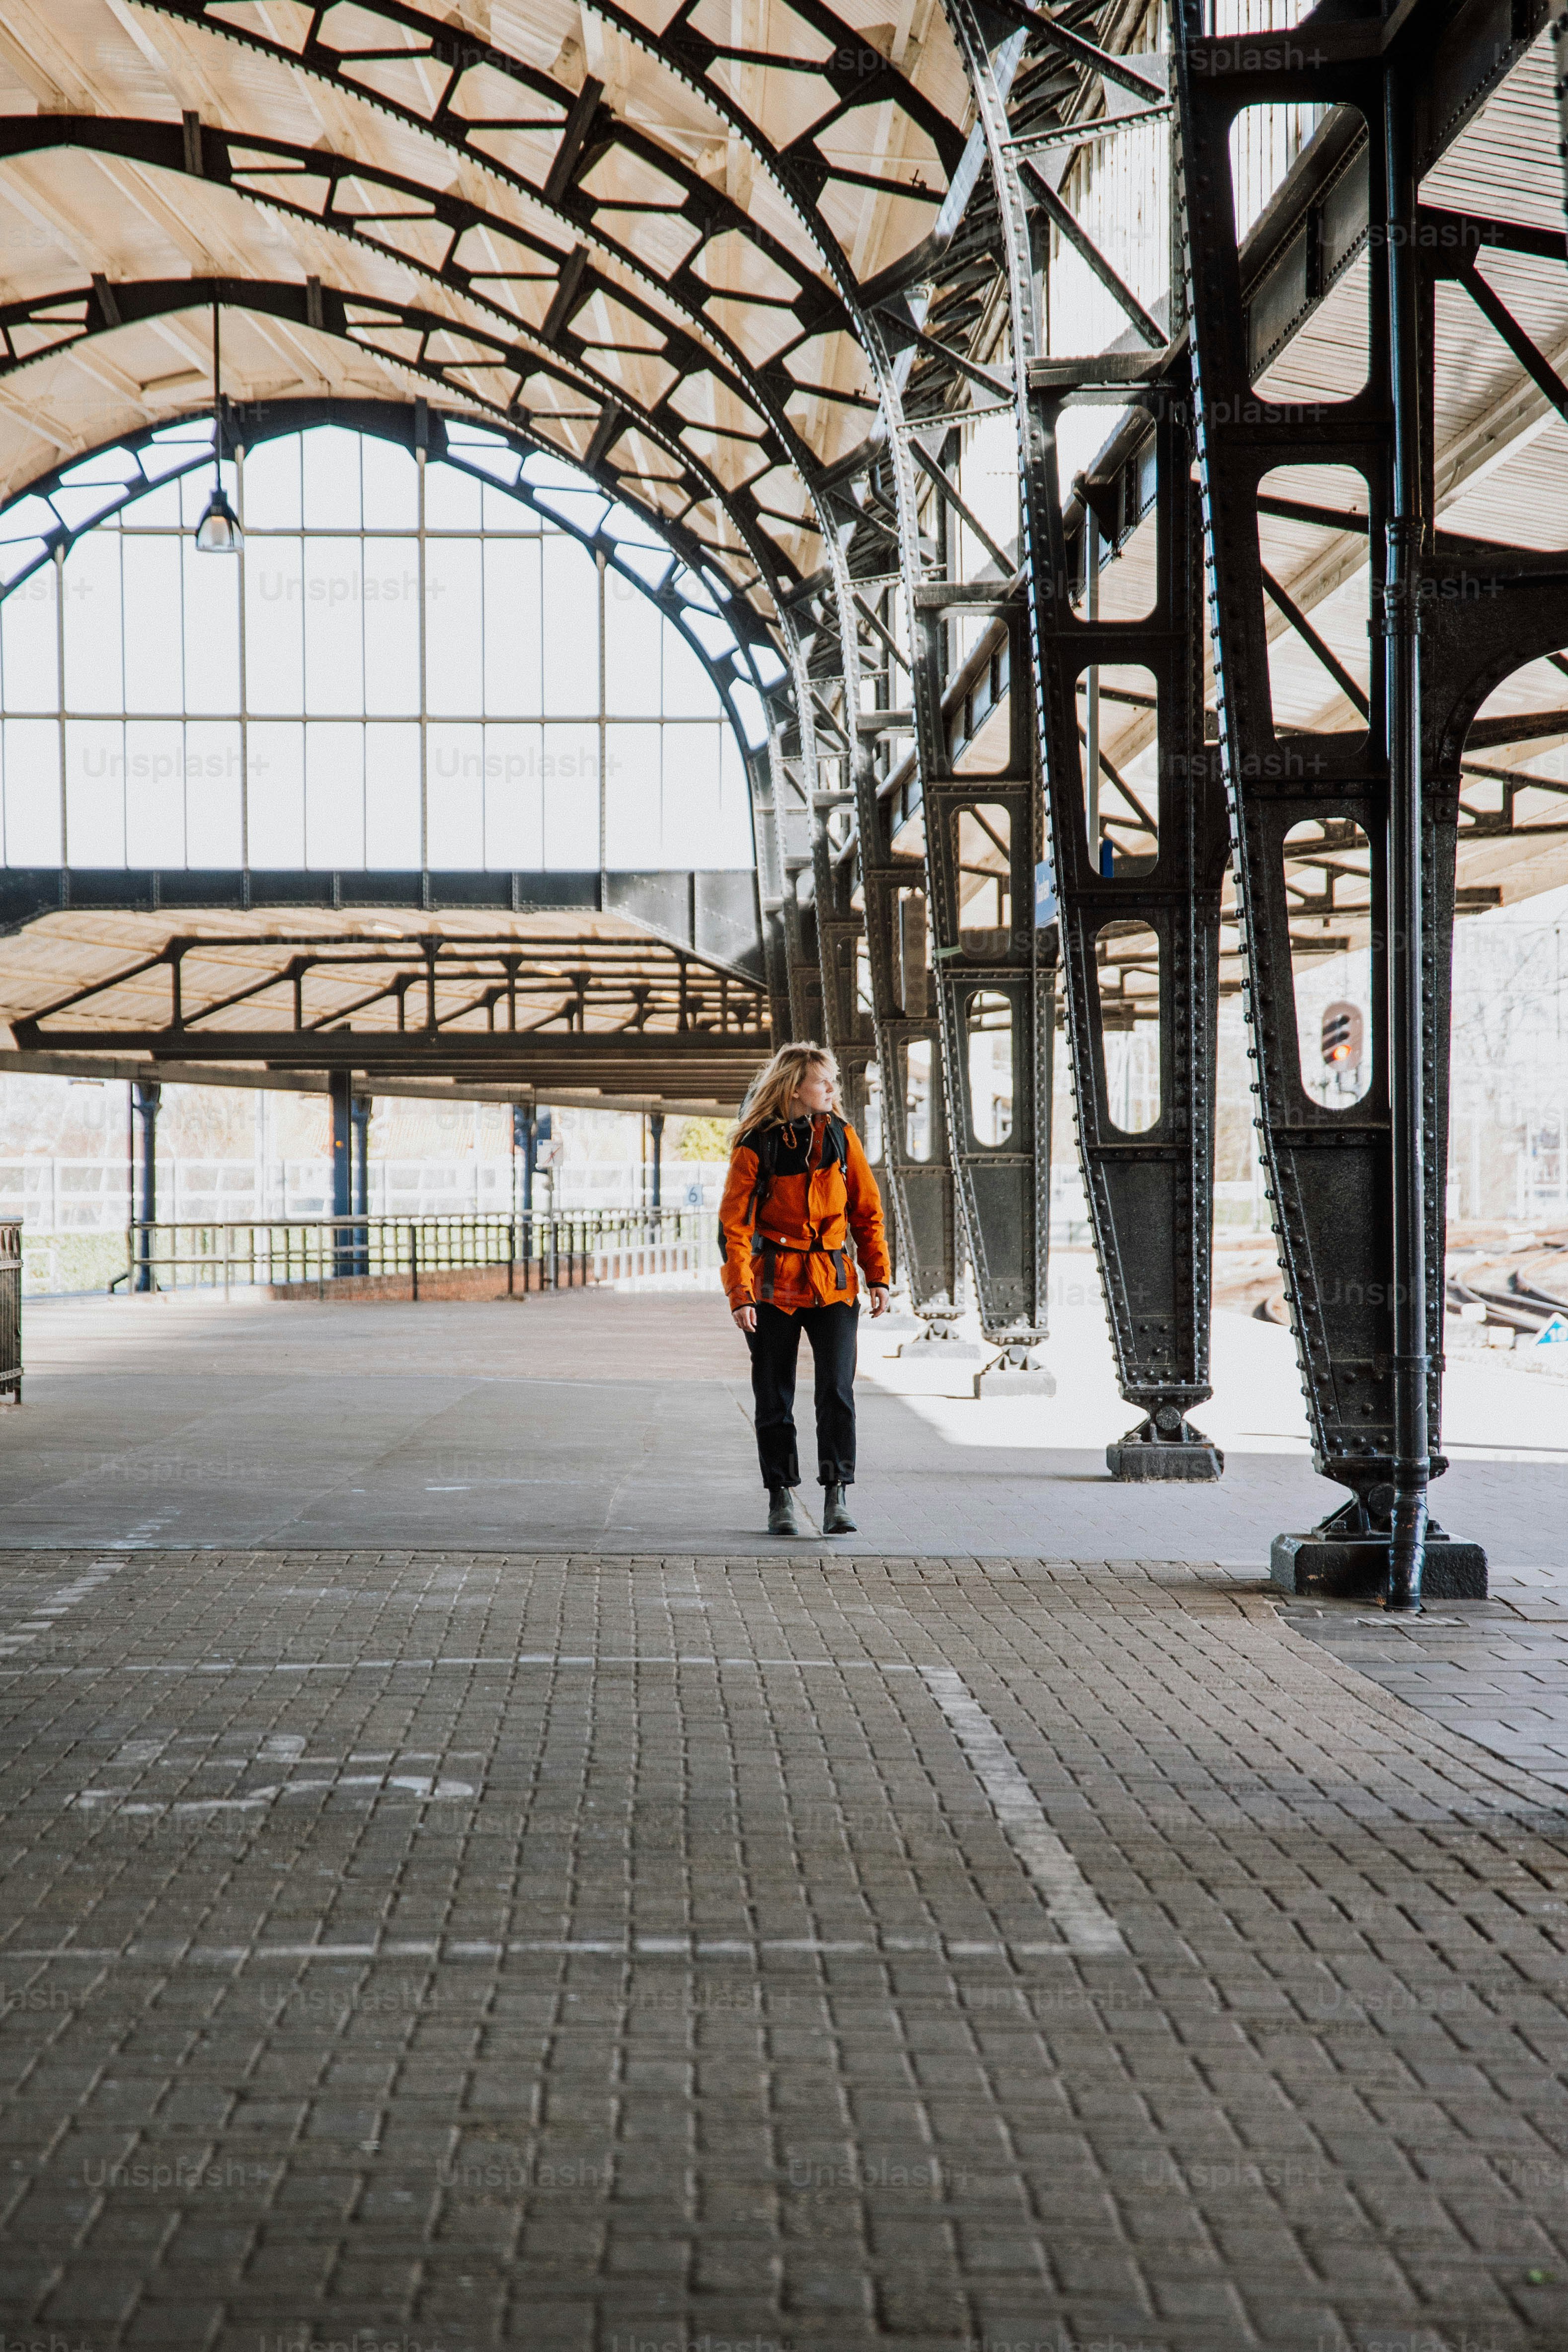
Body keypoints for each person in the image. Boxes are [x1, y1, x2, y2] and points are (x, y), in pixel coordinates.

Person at [720, 1042, 890, 1535]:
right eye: (823, 1081)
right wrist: (741, 1294)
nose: (832, 1089)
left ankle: (837, 1494)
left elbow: (867, 1211)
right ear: (796, 1088)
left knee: (837, 1391)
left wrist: (878, 1276)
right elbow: (734, 1227)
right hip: (772, 1286)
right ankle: (781, 1497)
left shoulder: (842, 1136)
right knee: (774, 1396)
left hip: (834, 1284)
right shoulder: (756, 1144)